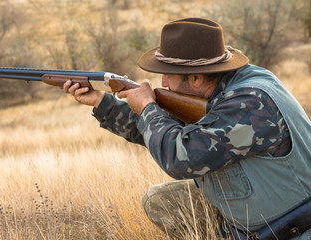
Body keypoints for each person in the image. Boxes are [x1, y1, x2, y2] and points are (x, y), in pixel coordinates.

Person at [63, 17, 311, 239]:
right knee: (160, 201)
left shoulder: (251, 101)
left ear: (196, 78)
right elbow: (159, 132)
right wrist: (101, 102)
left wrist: (148, 107)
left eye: (169, 75)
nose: (164, 83)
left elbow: (182, 158)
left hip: (291, 228)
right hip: (251, 220)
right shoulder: (227, 87)